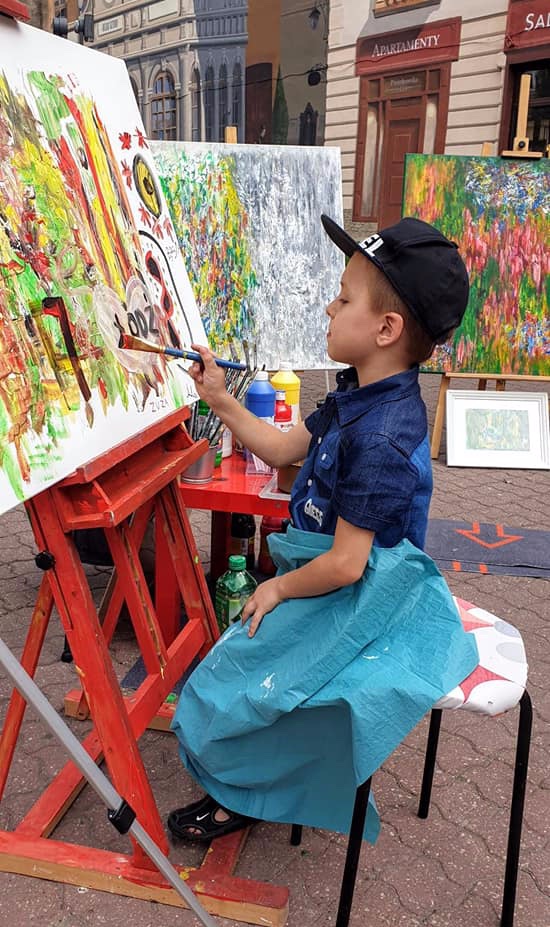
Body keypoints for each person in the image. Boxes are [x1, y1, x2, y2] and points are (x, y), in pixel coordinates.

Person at [168, 215, 479, 844]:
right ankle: (251, 781)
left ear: (386, 329)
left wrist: (277, 589)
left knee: (244, 677)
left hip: (360, 593)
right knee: (239, 663)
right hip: (329, 578)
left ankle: (244, 796)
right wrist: (220, 398)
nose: (329, 309)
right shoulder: (356, 396)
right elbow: (284, 449)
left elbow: (348, 564)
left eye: (343, 299)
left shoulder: (383, 435)